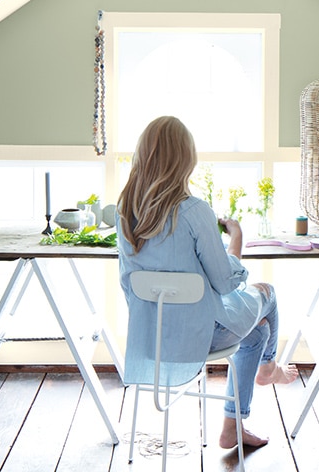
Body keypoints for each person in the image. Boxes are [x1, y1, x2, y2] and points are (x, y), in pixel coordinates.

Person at [116, 115, 298, 449]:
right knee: (268, 294)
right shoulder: (194, 211)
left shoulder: (124, 211)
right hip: (199, 337)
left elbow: (128, 285)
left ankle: (235, 424)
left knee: (257, 333)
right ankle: (269, 368)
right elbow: (227, 283)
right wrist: (236, 237)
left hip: (151, 336)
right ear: (185, 159)